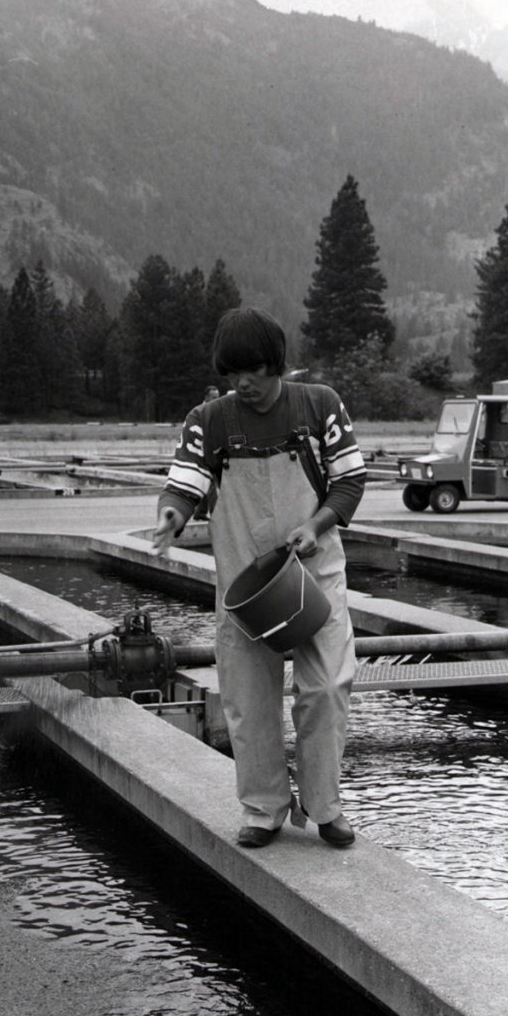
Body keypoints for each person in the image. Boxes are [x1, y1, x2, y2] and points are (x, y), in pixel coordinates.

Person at [152, 307, 366, 849]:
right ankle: (264, 808)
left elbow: (349, 482)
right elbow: (185, 483)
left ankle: (325, 806)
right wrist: (173, 513)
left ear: (277, 364)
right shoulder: (208, 421)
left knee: (327, 686)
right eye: (232, 373)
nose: (242, 383)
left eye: (253, 370)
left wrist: (316, 525)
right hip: (244, 584)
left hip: (313, 571)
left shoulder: (320, 405)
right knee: (248, 698)